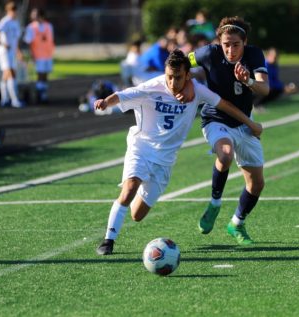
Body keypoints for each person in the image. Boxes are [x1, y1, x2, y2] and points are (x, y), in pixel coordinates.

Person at [95, 49, 262, 255]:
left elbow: (224, 104)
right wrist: (105, 102)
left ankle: (135, 188)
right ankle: (108, 240)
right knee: (129, 187)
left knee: (137, 215)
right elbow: (122, 95)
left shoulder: (197, 90)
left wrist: (250, 123)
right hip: (142, 148)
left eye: (178, 77)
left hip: (165, 160)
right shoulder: (152, 87)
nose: (173, 82)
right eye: (169, 77)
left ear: (188, 76)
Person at [185, 16, 270, 245]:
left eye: (236, 45)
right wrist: (178, 83)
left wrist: (249, 82)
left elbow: (265, 89)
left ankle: (236, 223)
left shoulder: (254, 55)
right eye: (226, 44)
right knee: (225, 153)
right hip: (216, 119)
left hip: (243, 122)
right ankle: (214, 204)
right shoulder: (208, 54)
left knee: (257, 184)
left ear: (245, 43)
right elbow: (181, 62)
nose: (230, 50)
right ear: (219, 43)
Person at [0, 1, 24, 108]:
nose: (14, 12)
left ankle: (4, 99)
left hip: (12, 52)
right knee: (9, 73)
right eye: (12, 10)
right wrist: (1, 44)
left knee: (8, 75)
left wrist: (18, 51)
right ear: (8, 11)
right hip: (4, 51)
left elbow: (16, 40)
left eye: (15, 10)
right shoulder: (5, 21)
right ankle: (14, 100)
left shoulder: (16, 23)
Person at [23, 8, 55, 104]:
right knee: (40, 74)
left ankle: (43, 93)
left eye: (35, 14)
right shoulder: (31, 27)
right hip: (38, 55)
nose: (33, 16)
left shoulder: (48, 26)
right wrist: (30, 54)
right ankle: (39, 94)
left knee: (45, 74)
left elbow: (50, 40)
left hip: (48, 55)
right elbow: (27, 41)